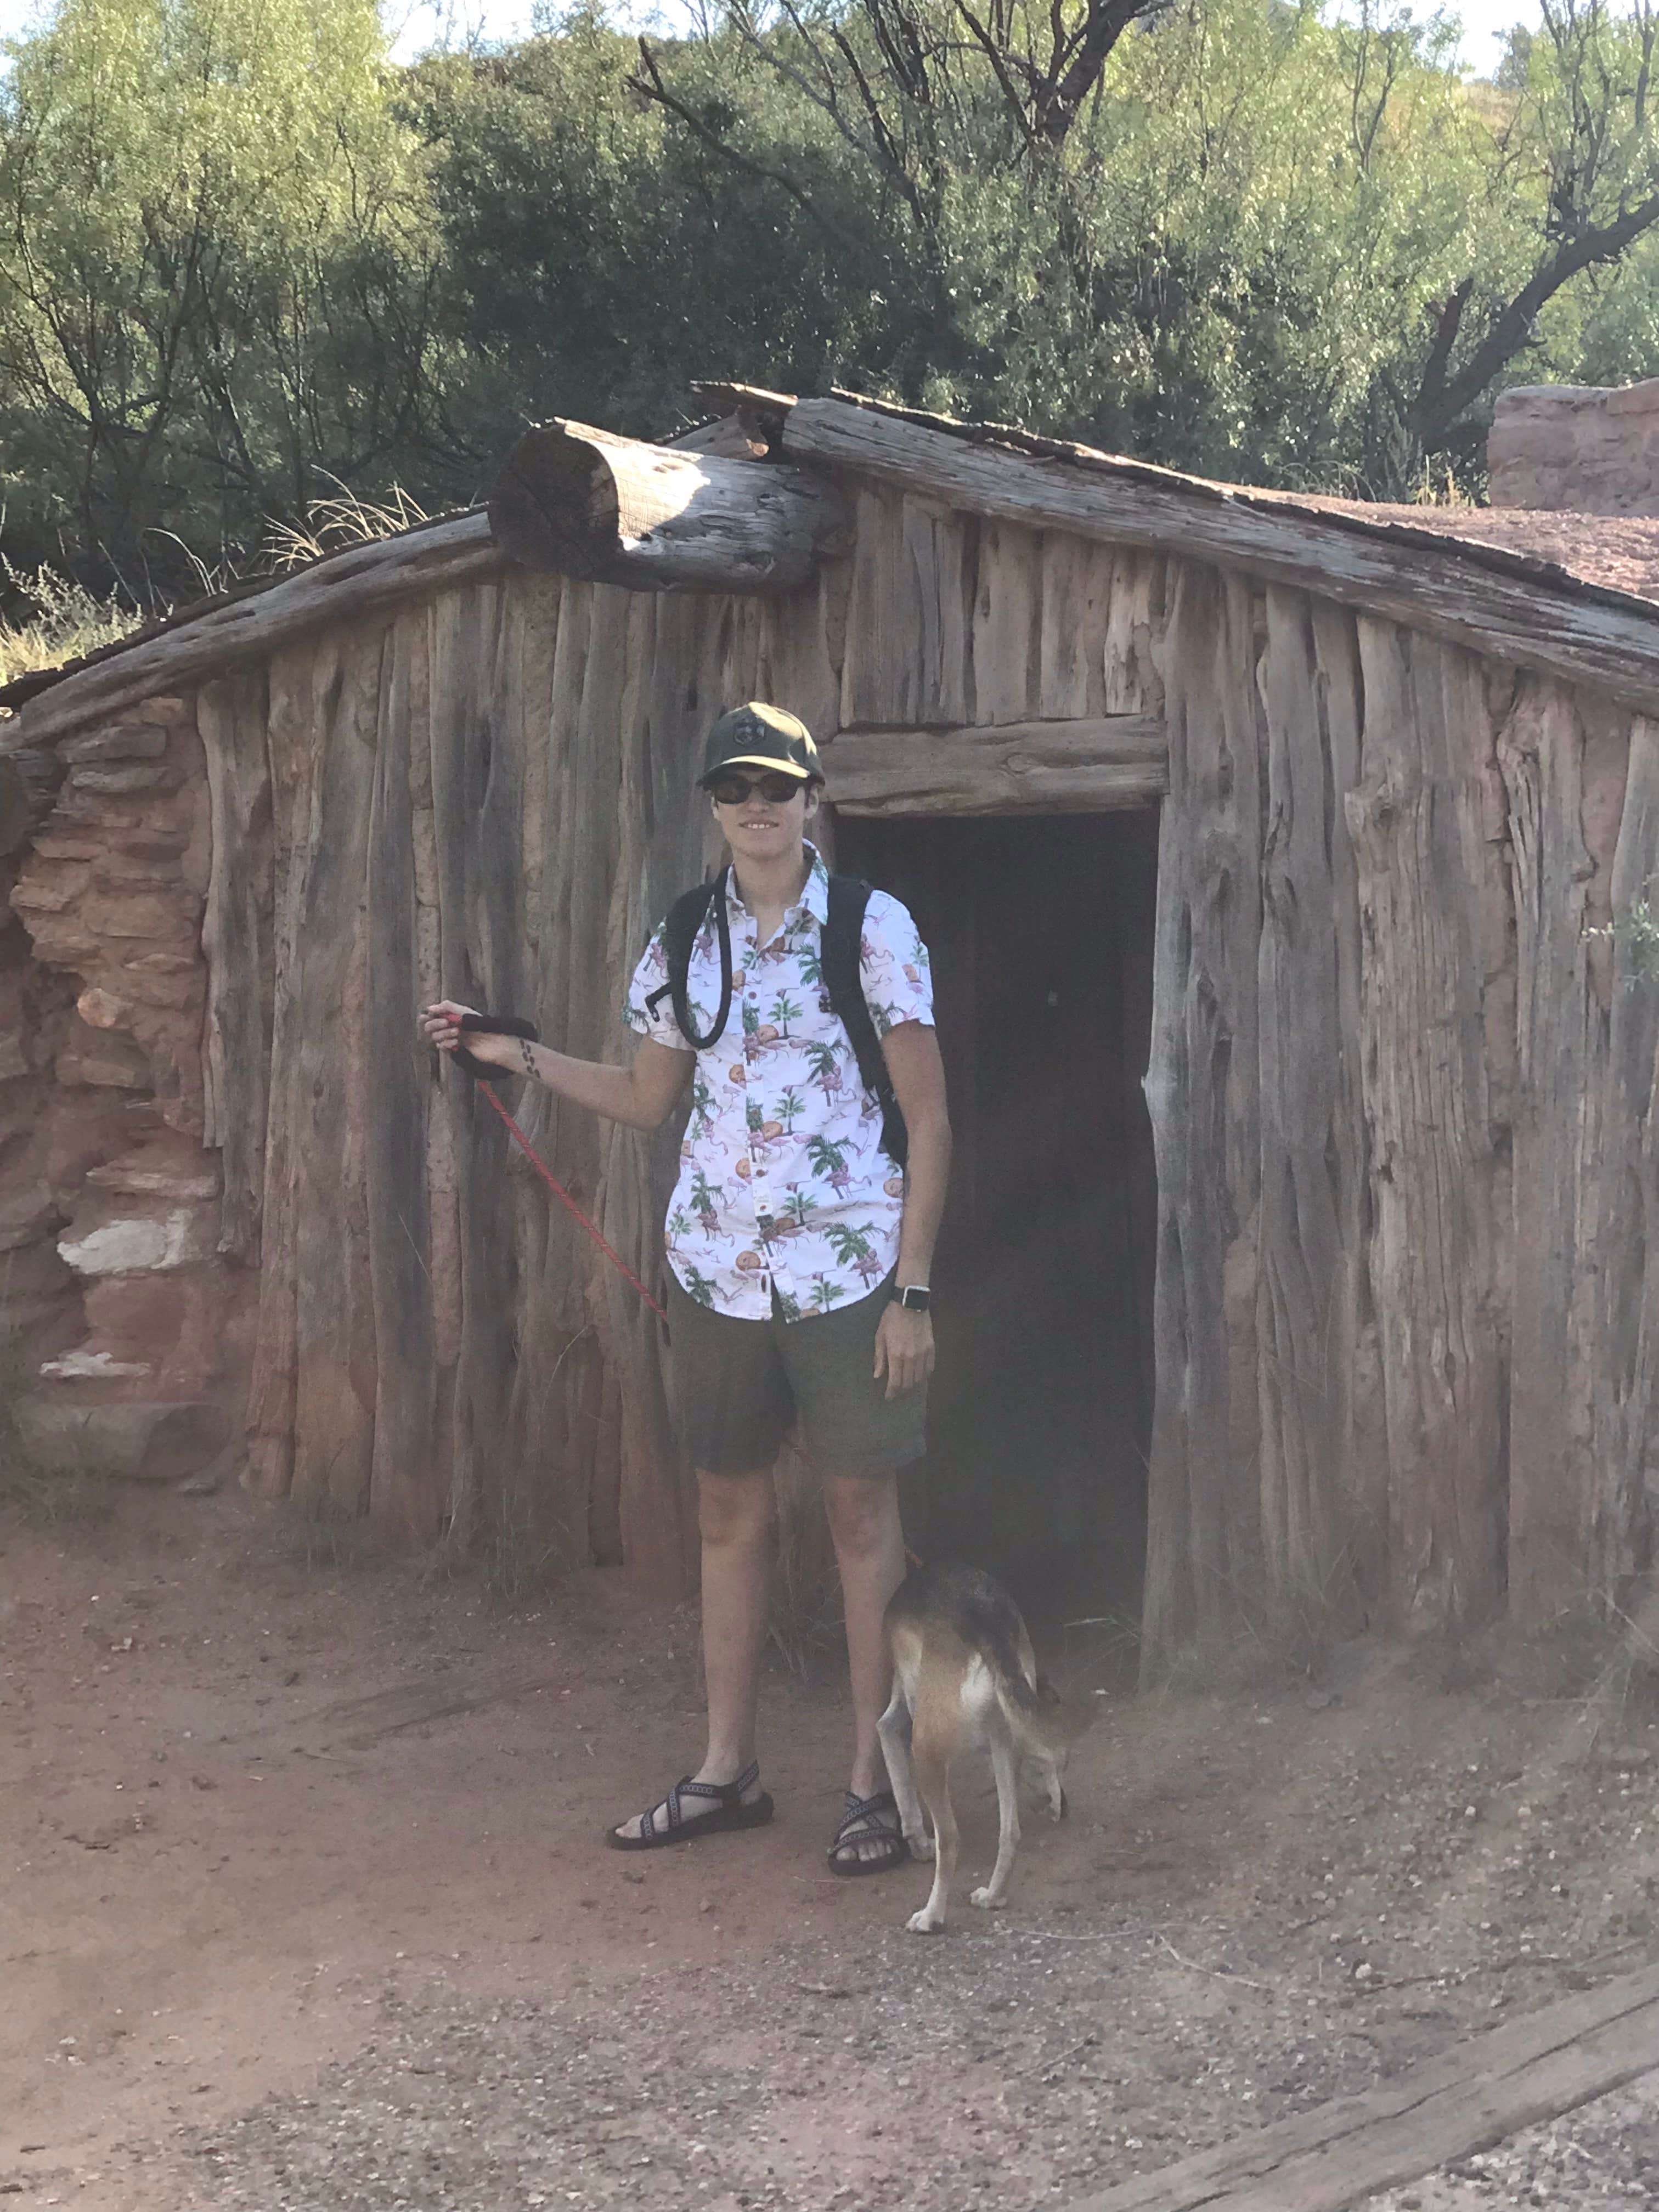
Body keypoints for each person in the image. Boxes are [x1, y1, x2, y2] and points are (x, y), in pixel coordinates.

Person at [420, 702, 951, 1874]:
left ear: (813, 798)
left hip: (849, 1272)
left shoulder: (872, 930)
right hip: (719, 1270)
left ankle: (875, 1780)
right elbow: (651, 1098)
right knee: (727, 1509)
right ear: (713, 805)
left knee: (863, 1518)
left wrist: (913, 1292)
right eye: (734, 787)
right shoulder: (681, 940)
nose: (756, 805)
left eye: (777, 785)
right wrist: (510, 1053)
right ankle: (727, 1771)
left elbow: (927, 1115)